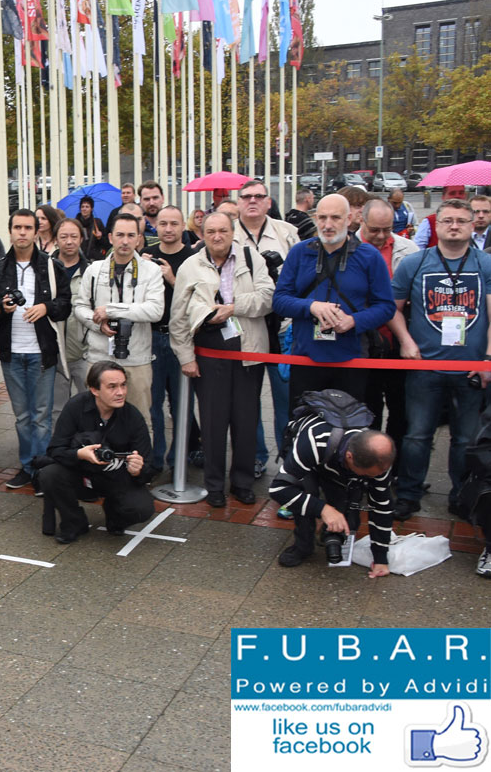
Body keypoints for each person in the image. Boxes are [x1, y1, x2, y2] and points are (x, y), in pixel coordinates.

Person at [389, 198, 491, 521]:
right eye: (447, 220)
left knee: (465, 438)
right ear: (436, 224)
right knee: (417, 435)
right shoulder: (415, 264)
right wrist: (405, 341)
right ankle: (408, 493)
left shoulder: (485, 265)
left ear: (472, 224)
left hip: (470, 368)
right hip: (424, 368)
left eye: (461, 220)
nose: (454, 226)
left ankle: (462, 495)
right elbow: (392, 307)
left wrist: (488, 358)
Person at [170, 211, 275, 507]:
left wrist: (233, 307)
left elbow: (268, 297)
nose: (217, 236)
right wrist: (186, 357)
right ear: (202, 234)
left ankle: (242, 482)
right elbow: (177, 317)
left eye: (223, 231)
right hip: (209, 349)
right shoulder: (192, 265)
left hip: (247, 347)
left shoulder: (250, 258)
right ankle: (214, 485)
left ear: (232, 232)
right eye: (211, 231)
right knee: (213, 421)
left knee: (246, 419)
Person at [273, 193, 395, 408]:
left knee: (349, 431)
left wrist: (354, 321)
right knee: (304, 427)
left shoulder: (369, 256)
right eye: (322, 218)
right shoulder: (299, 253)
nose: (327, 224)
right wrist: (311, 306)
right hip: (306, 358)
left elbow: (386, 307)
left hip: (352, 359)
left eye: (335, 218)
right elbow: (280, 301)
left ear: (349, 219)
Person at [0, 209, 73, 490]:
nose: (22, 233)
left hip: (42, 352)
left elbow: (66, 305)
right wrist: (2, 307)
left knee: (42, 417)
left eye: (27, 228)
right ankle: (27, 466)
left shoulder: (51, 266)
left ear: (37, 232)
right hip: (11, 353)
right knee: (22, 416)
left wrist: (46, 307)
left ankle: (43, 470)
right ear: (10, 231)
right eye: (17, 227)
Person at [37, 360, 153, 543]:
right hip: (80, 474)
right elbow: (54, 450)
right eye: (112, 387)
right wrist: (79, 454)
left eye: (123, 385)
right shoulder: (76, 407)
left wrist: (138, 470)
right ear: (94, 390)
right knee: (49, 474)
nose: (120, 392)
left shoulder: (132, 416)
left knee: (142, 508)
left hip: (116, 477)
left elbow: (148, 465)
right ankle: (74, 522)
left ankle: (115, 517)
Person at [269, 412, 394, 577]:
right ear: (350, 457)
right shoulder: (313, 441)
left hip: (339, 464)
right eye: (367, 474)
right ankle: (303, 546)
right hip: (312, 462)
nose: (372, 478)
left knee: (348, 510)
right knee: (307, 492)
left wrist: (380, 558)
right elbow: (278, 489)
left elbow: (382, 507)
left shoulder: (379, 461)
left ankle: (333, 530)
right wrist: (323, 509)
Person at [236, 179, 302, 475]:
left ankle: (289, 462)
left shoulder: (287, 233)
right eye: (246, 196)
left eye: (258, 196)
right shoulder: (228, 233)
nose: (252, 201)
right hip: (245, 327)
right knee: (248, 403)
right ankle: (255, 456)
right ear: (238, 202)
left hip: (284, 328)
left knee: (286, 402)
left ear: (268, 201)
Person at [74, 212, 165, 417]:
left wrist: (111, 310)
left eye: (131, 235)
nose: (125, 241)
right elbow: (79, 307)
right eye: (120, 234)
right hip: (99, 356)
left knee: (140, 420)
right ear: (110, 237)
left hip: (137, 359)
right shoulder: (94, 270)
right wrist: (98, 324)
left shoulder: (151, 270)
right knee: (97, 421)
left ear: (139, 238)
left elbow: (155, 310)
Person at [358, 199, 419, 461]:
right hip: (363, 345)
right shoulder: (349, 247)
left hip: (397, 344)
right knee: (366, 410)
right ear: (361, 221)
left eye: (388, 229)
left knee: (401, 409)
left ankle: (393, 466)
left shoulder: (408, 250)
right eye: (375, 230)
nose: (382, 236)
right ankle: (366, 465)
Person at [143, 205, 197, 477]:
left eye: (174, 224)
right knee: (152, 406)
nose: (168, 229)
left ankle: (178, 458)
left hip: (180, 340)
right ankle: (155, 459)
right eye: (163, 224)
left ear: (182, 227)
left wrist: (172, 279)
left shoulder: (193, 259)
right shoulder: (146, 258)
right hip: (150, 338)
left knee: (181, 405)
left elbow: (199, 302)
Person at [52, 217, 89, 413]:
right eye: (64, 236)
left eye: (74, 236)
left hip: (83, 352)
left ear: (81, 239)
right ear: (56, 239)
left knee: (90, 406)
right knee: (57, 409)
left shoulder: (90, 272)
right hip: (55, 354)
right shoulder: (46, 269)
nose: (69, 241)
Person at [74, 196, 108, 261]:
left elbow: (106, 244)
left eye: (87, 207)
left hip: (95, 259)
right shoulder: (75, 223)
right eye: (82, 206)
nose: (84, 209)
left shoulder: (97, 223)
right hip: (78, 258)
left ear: (91, 209)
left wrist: (100, 238)